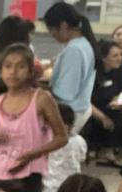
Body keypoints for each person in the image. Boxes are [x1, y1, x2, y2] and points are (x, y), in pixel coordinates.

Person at [0, 44, 68, 192]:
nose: (13, 72)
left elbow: (62, 137)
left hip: (28, 173)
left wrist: (31, 155)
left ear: (30, 71)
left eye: (20, 66)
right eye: (8, 66)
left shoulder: (41, 98)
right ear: (1, 71)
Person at [45, 2, 97, 133]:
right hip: (78, 108)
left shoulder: (75, 49)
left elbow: (65, 92)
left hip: (70, 112)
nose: (51, 34)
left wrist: (42, 90)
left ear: (63, 25)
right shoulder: (80, 44)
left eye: (51, 29)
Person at [82, 40, 122, 167]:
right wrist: (102, 117)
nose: (119, 58)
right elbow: (84, 99)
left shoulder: (121, 68)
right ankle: (95, 148)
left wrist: (118, 101)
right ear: (104, 58)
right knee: (97, 119)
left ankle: (109, 149)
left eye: (120, 55)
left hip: (108, 104)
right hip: (90, 106)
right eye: (115, 56)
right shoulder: (92, 71)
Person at [44, 104, 87, 192]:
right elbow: (82, 159)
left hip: (49, 190)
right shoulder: (80, 141)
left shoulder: (46, 141)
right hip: (73, 189)